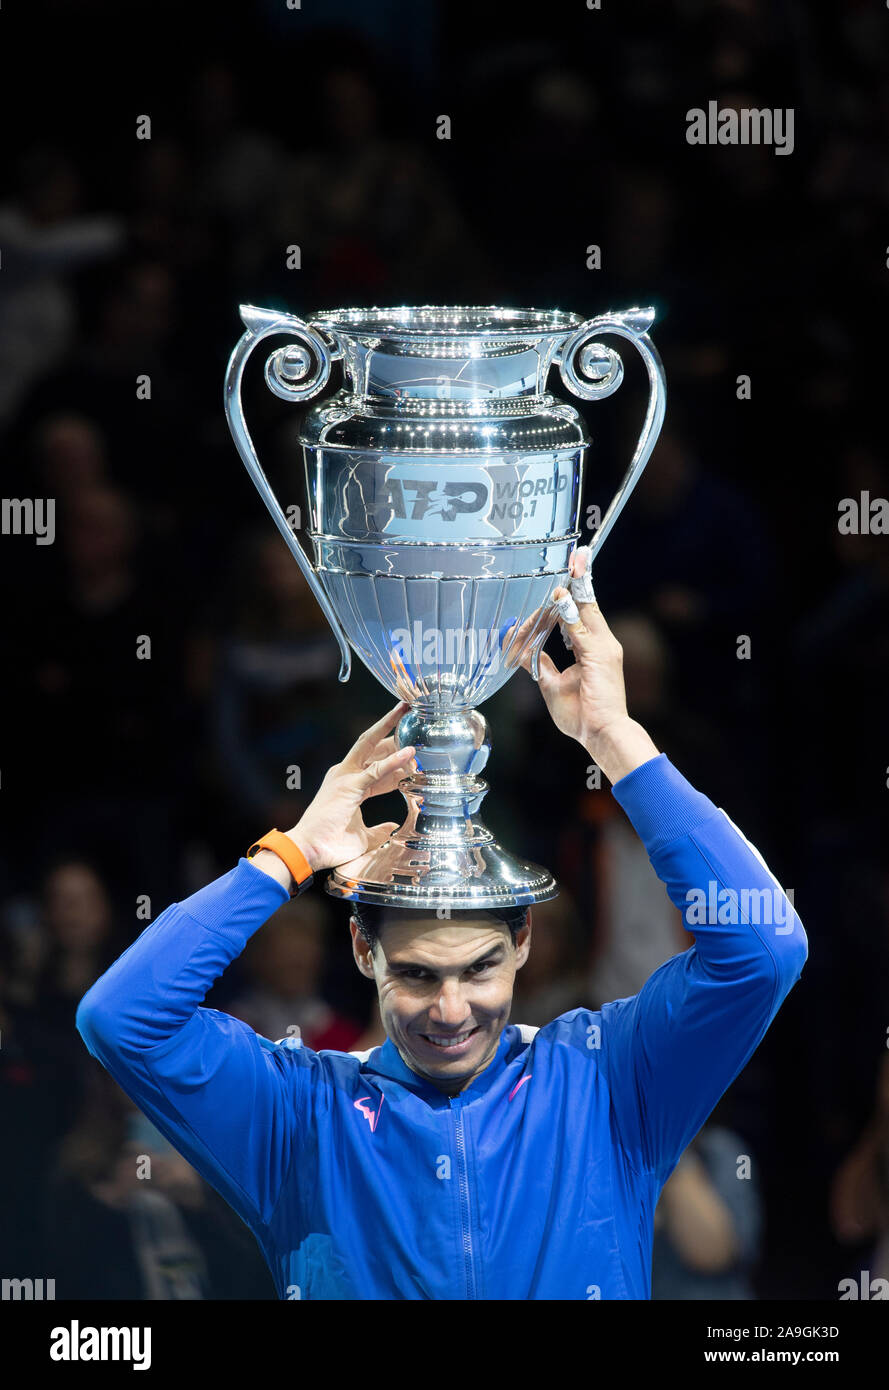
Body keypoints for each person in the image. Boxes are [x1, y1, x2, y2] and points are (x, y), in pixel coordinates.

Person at [76, 552, 808, 1300]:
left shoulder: (607, 1080)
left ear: (523, 942)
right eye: (419, 974)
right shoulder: (298, 1116)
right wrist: (291, 854)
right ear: (364, 951)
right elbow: (121, 1017)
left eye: (479, 968)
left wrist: (615, 740)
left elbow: (763, 948)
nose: (452, 1010)